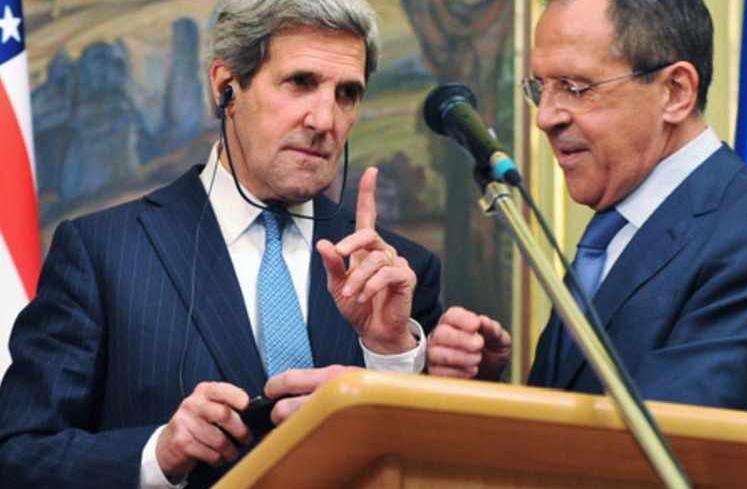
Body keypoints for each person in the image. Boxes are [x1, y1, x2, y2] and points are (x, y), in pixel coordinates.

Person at [0, 1, 443, 487]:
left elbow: (438, 462)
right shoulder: (103, 253)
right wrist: (159, 453)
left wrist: (389, 356)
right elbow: (19, 457)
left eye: (347, 94)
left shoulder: (397, 274)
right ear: (225, 86)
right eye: (300, 82)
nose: (325, 120)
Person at [427, 0, 747, 435]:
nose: (546, 117)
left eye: (574, 87)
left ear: (675, 92)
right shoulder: (610, 234)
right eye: (540, 88)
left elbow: (680, 438)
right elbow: (575, 409)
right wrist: (484, 388)